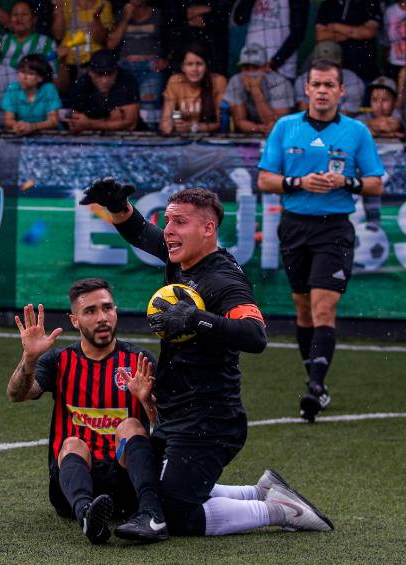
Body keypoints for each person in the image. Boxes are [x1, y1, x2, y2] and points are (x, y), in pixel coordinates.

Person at [78, 180, 333, 536]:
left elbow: (256, 336)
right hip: (177, 412)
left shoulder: (224, 278)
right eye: (167, 221)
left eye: (179, 222)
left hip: (210, 421)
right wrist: (118, 206)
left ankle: (279, 511)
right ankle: (256, 491)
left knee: (174, 515)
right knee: (141, 492)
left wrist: (197, 318)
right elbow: (142, 233)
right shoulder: (182, 257)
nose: (168, 230)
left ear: (208, 228)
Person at [257, 59, 385, 423]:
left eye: (330, 85)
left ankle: (314, 387)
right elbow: (266, 179)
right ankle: (315, 375)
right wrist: (300, 183)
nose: (323, 90)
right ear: (307, 89)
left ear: (341, 91)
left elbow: (376, 183)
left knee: (323, 307)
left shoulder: (357, 132)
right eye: (317, 84)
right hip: (295, 225)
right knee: (302, 308)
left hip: (334, 228)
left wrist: (346, 182)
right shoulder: (286, 127)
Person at [6, 278, 168, 544]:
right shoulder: (59, 361)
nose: (102, 317)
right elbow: (17, 394)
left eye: (107, 308)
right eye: (90, 311)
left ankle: (152, 514)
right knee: (72, 443)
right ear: (75, 320)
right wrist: (30, 359)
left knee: (130, 426)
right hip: (71, 484)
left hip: (127, 483)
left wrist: (148, 401)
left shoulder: (138, 361)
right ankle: (86, 516)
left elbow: (164, 429)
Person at [106, 0, 169, 129]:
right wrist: (126, 18)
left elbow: (171, 38)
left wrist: (167, 59)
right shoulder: (120, 15)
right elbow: (111, 44)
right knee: (121, 111)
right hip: (124, 68)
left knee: (149, 111)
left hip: (150, 69)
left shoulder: (158, 14)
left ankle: (151, 146)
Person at [223, 43, 294, 134]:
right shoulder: (236, 81)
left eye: (255, 67)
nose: (250, 73)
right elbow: (240, 122)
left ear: (266, 66)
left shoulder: (281, 83)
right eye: (246, 68)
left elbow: (277, 125)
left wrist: (255, 90)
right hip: (250, 134)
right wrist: (259, 128)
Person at [159, 42, 227, 135]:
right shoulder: (175, 81)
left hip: (210, 139)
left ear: (206, 66)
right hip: (182, 140)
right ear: (183, 67)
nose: (194, 69)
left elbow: (221, 124)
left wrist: (193, 127)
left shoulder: (218, 81)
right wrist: (174, 124)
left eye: (199, 64)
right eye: (189, 64)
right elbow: (165, 122)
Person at [232, 0, 309, 81]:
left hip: (280, 71)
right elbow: (239, 19)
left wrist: (273, 64)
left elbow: (298, 34)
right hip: (250, 66)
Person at [66, 49, 140, 132]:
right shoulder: (81, 84)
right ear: (90, 72)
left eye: (109, 73)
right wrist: (112, 122)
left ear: (116, 72)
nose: (104, 80)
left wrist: (89, 124)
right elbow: (75, 124)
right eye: (99, 74)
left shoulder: (127, 81)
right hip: (90, 140)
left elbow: (130, 124)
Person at [314, 0, 382, 82]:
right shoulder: (327, 4)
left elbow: (369, 32)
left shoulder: (370, 3)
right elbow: (320, 36)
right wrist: (354, 32)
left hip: (363, 67)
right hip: (334, 67)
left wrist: (336, 27)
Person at [52, 0, 115, 84]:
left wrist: (96, 18)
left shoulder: (104, 4)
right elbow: (58, 35)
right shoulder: (65, 3)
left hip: (95, 65)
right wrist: (59, 9)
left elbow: (101, 39)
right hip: (69, 62)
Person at [294, 41, 364, 116]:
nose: (325, 67)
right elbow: (306, 115)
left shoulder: (353, 81)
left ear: (340, 64)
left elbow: (345, 119)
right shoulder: (302, 80)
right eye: (321, 64)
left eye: (330, 64)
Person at [2, 54, 62, 134]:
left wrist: (32, 127)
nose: (24, 77)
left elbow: (53, 121)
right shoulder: (12, 88)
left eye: (31, 73)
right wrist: (18, 126)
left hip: (51, 135)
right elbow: (8, 120)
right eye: (22, 72)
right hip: (21, 133)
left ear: (40, 78)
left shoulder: (49, 89)